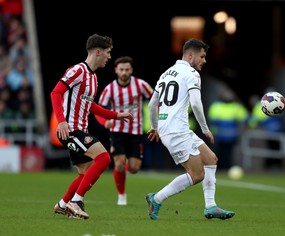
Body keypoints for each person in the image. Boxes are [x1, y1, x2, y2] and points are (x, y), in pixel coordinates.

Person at [146, 38, 235, 220]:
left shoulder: (166, 74)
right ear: (191, 55)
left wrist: (155, 126)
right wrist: (205, 128)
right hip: (176, 131)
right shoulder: (192, 74)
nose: (204, 60)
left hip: (174, 129)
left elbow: (152, 104)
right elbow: (195, 103)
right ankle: (157, 198)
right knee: (197, 174)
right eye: (202, 56)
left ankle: (211, 206)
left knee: (211, 159)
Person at [50, 34, 133, 219]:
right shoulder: (78, 70)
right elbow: (56, 92)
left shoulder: (93, 78)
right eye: (108, 52)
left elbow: (90, 106)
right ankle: (76, 202)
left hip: (80, 130)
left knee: (84, 174)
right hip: (71, 130)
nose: (109, 57)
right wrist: (62, 121)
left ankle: (62, 204)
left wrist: (115, 115)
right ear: (98, 52)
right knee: (104, 158)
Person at [96, 56, 153, 206]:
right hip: (117, 131)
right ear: (116, 70)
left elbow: (155, 98)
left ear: (131, 70)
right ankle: (121, 196)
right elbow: (98, 110)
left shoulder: (140, 85)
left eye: (127, 69)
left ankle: (122, 168)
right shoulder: (110, 89)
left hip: (136, 132)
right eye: (121, 69)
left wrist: (157, 118)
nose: (124, 72)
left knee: (134, 168)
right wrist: (105, 122)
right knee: (119, 164)